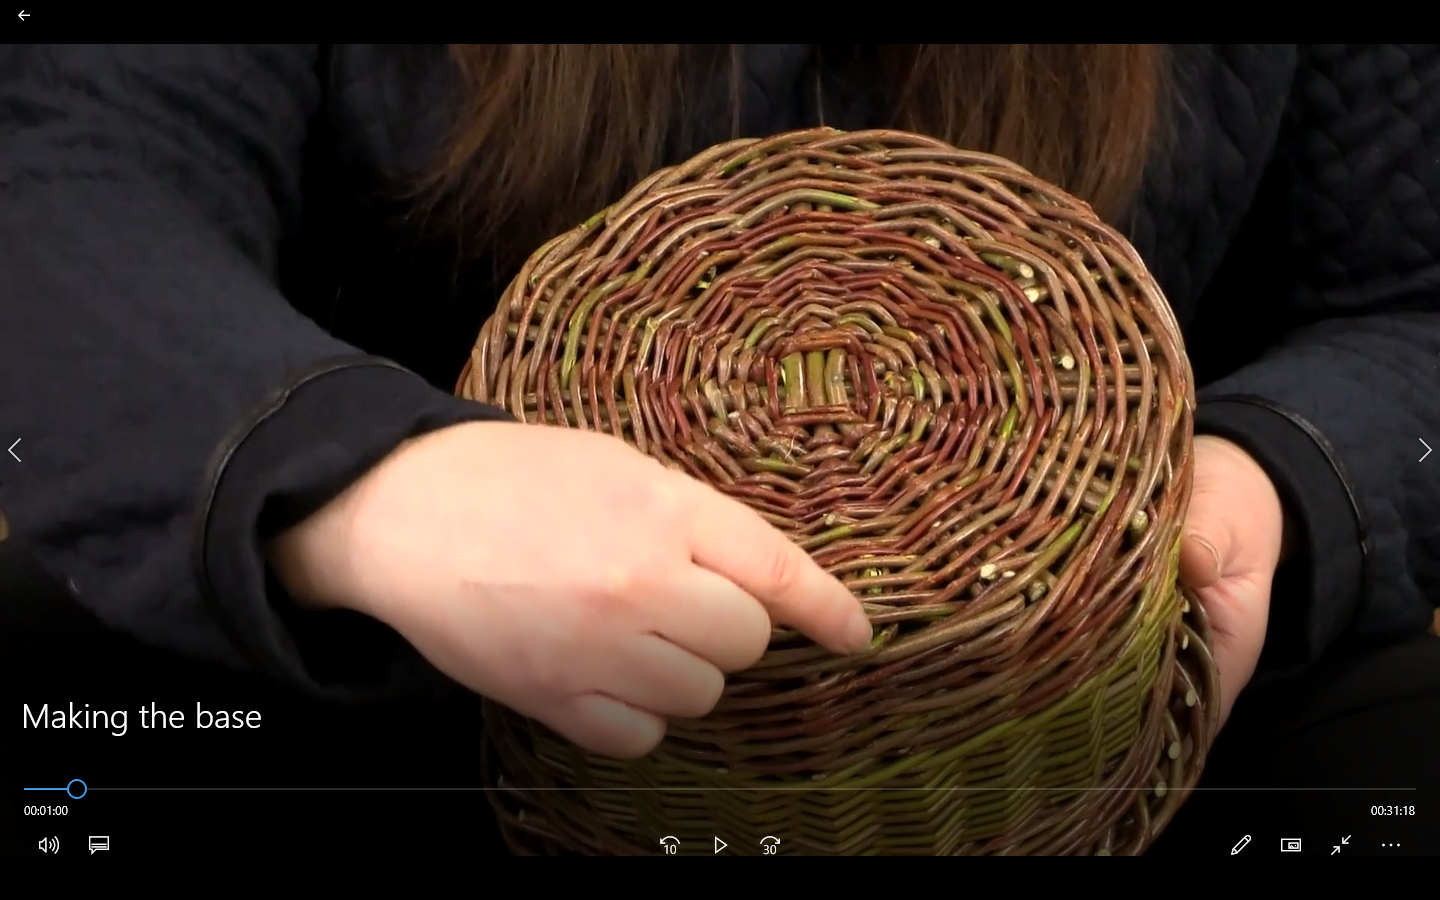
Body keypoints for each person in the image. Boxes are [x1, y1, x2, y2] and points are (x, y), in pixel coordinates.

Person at [2, 45, 1437, 853]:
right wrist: (369, 490)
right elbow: (63, 184)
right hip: (424, 689)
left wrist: (1271, 489)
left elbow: (1411, 302)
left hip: (1097, 705)